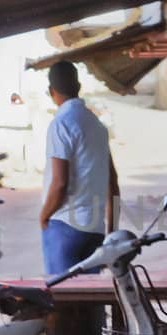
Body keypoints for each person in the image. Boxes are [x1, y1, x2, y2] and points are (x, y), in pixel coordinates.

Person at [40, 60, 118, 277]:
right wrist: (111, 231)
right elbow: (113, 183)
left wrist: (44, 216)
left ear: (51, 91)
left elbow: (60, 182)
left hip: (64, 226)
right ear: (78, 87)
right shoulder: (98, 126)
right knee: (90, 302)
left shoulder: (61, 124)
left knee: (63, 301)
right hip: (94, 229)